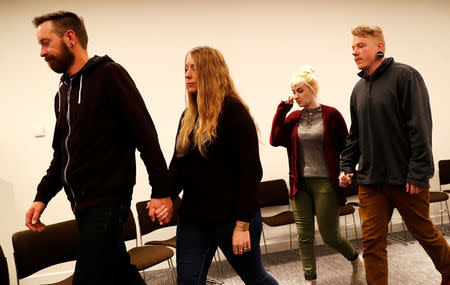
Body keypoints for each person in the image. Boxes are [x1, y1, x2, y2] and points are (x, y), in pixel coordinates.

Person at [26, 11, 173, 285]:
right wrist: (41, 197)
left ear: (70, 38)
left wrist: (162, 191)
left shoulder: (109, 75)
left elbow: (145, 134)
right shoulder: (63, 92)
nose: (42, 52)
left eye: (46, 43)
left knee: (88, 278)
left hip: (107, 201)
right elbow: (62, 156)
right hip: (80, 205)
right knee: (119, 272)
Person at [156, 46, 278, 285]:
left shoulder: (234, 113)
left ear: (211, 72)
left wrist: (242, 225)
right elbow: (178, 167)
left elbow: (250, 174)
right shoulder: (188, 116)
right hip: (194, 219)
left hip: (233, 218)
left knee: (255, 278)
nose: (187, 74)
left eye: (194, 68)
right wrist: (165, 196)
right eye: (185, 68)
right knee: (189, 281)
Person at [339, 24, 450, 285]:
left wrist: (419, 173)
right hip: (371, 181)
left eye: (361, 46)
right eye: (352, 47)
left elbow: (420, 128)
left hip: (405, 179)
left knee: (423, 232)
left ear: (380, 47)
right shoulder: (358, 89)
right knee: (372, 242)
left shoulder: (406, 77)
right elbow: (355, 135)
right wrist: (346, 166)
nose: (354, 52)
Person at [269, 66, 364, 285]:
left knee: (330, 235)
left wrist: (346, 171)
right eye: (293, 91)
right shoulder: (293, 118)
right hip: (299, 185)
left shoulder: (331, 115)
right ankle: (310, 280)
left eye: (300, 90)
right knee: (304, 236)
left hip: (325, 184)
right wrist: (282, 109)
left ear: (312, 89)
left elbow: (346, 146)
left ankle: (355, 259)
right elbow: (275, 139)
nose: (296, 96)